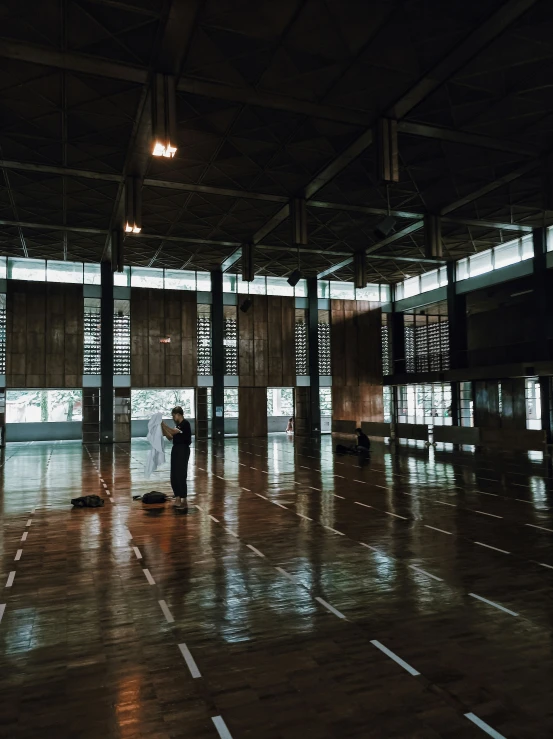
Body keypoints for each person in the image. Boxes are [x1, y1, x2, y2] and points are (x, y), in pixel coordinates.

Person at [161, 406, 191, 509]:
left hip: (183, 450)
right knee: (174, 474)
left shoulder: (184, 424)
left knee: (181, 473)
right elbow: (170, 437)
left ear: (178, 414)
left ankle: (184, 499)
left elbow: (173, 432)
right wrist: (162, 427)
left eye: (174, 416)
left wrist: (164, 424)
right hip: (176, 449)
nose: (173, 418)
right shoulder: (177, 425)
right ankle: (177, 497)